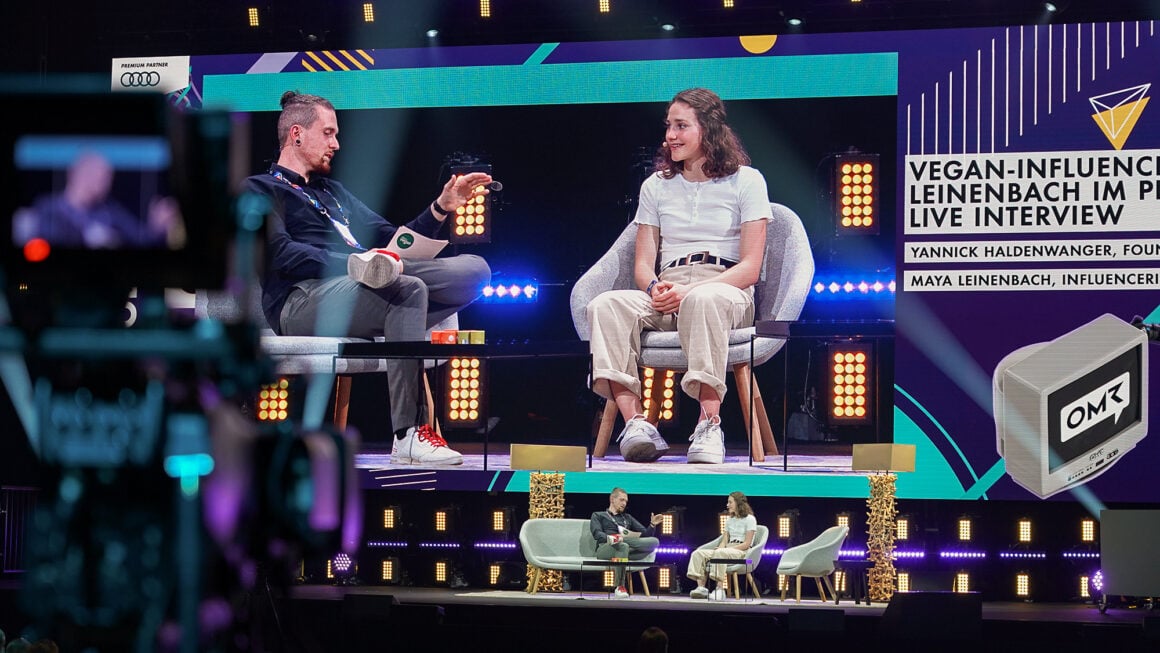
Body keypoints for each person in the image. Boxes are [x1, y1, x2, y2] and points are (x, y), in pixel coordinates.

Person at [244, 90, 492, 465]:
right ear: (296, 134)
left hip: (363, 287)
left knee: (476, 270)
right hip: (300, 300)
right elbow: (280, 253)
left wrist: (440, 208)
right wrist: (351, 262)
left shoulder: (334, 193)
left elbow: (392, 240)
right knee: (407, 288)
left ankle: (383, 272)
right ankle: (408, 436)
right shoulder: (260, 188)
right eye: (328, 133)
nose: (336, 144)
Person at [586, 87, 770, 464]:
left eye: (682, 126)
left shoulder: (747, 181)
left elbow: (750, 268)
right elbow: (642, 266)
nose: (671, 135)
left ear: (710, 130)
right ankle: (636, 424)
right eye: (669, 125)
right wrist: (656, 289)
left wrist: (692, 289)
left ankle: (708, 424)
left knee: (703, 299)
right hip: (668, 285)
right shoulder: (655, 186)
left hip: (724, 286)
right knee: (605, 304)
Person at [13, 150, 183, 250]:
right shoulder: (48, 207)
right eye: (104, 177)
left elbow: (139, 241)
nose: (108, 184)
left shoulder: (109, 211)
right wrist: (89, 238)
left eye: (109, 178)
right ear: (81, 174)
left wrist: (155, 227)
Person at [589, 487, 663, 599]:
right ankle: (620, 587)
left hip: (625, 549)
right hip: (605, 548)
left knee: (654, 542)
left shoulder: (627, 518)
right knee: (623, 546)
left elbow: (645, 536)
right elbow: (597, 534)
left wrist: (652, 525)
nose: (624, 503)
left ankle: (622, 541)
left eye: (626, 501)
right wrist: (613, 538)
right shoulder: (598, 515)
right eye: (621, 500)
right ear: (612, 499)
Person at [686, 491, 756, 599]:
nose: (727, 505)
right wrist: (722, 547)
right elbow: (724, 539)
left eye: (730, 502)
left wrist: (727, 549)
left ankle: (719, 590)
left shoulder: (750, 519)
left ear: (738, 503)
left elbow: (747, 544)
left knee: (721, 553)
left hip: (742, 551)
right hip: (727, 550)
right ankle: (701, 588)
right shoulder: (729, 520)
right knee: (698, 553)